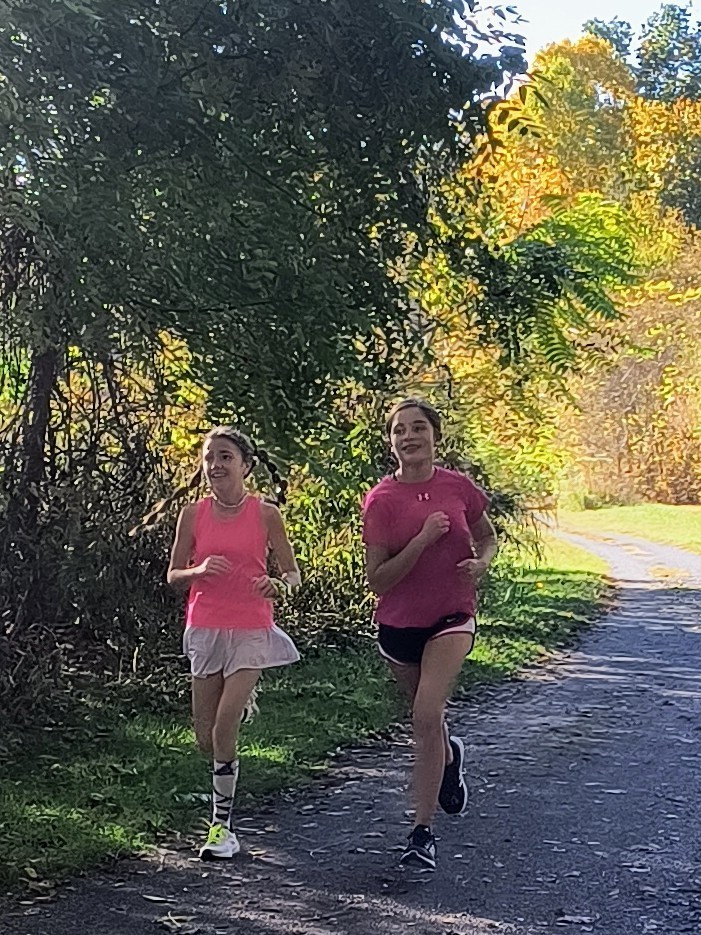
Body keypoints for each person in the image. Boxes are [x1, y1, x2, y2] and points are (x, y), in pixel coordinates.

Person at [361, 398, 498, 871]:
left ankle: (422, 833)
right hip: (399, 624)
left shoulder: (458, 486)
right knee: (429, 723)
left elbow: (487, 535)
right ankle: (451, 756)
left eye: (419, 428)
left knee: (425, 713)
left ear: (435, 436)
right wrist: (421, 541)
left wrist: (481, 562)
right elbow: (377, 580)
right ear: (391, 442)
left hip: (452, 615)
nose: (409, 437)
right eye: (400, 430)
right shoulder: (381, 501)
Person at [163, 426, 301, 860]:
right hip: (204, 626)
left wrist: (280, 586)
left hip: (251, 627)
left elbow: (293, 575)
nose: (215, 465)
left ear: (245, 464)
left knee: (225, 726)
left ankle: (222, 828)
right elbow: (172, 575)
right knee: (206, 737)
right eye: (209, 457)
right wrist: (198, 571)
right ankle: (234, 734)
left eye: (225, 456)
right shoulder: (193, 514)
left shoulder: (264, 513)